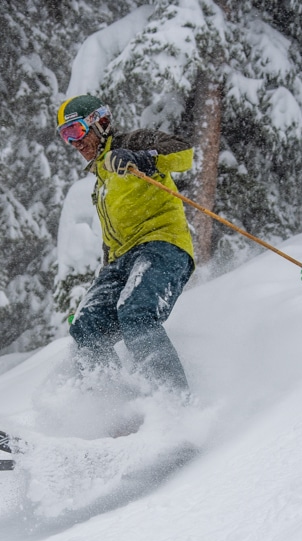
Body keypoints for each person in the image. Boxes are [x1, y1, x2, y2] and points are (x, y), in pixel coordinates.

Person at [56, 93, 195, 396]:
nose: (74, 143)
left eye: (76, 131)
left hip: (163, 245)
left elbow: (184, 152)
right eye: (66, 136)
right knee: (87, 327)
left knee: (136, 311)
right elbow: (110, 239)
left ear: (100, 123)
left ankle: (175, 409)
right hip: (121, 260)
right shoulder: (101, 180)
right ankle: (112, 410)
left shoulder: (133, 142)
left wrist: (144, 157)